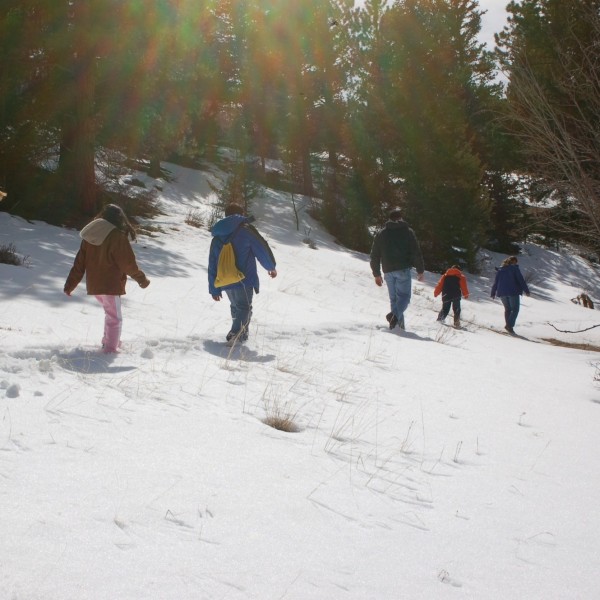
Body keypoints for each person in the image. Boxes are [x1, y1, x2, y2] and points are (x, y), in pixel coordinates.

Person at [64, 204, 150, 353]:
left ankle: (109, 341)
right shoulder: (116, 236)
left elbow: (79, 263)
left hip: (95, 285)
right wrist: (141, 279)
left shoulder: (91, 233)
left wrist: (70, 284)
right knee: (115, 318)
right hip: (110, 285)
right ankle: (110, 349)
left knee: (110, 315)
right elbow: (127, 263)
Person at [208, 203, 277, 344]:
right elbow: (261, 248)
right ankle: (236, 335)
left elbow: (212, 263)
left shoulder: (217, 237)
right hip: (243, 279)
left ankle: (240, 340)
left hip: (224, 280)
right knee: (244, 307)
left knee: (236, 307)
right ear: (241, 215)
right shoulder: (245, 230)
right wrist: (271, 266)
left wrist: (214, 289)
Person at [370, 207, 424, 330]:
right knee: (404, 297)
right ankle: (394, 317)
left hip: (388, 271)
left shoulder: (381, 233)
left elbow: (374, 255)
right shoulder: (408, 232)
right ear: (401, 218)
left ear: (389, 219)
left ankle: (398, 328)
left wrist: (376, 274)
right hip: (403, 269)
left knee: (394, 300)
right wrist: (420, 270)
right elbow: (416, 252)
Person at [490, 255, 530, 334]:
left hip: (502, 293)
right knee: (515, 309)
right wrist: (526, 290)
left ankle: (508, 326)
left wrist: (493, 292)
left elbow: (496, 282)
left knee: (507, 309)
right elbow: (521, 280)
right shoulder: (515, 269)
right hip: (513, 292)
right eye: (516, 262)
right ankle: (509, 326)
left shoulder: (500, 270)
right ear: (514, 261)